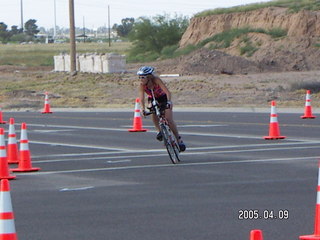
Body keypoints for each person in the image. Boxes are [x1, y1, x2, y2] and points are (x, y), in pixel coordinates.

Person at [137, 66, 186, 152]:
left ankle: (178, 139)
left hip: (163, 97)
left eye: (143, 77)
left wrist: (169, 102)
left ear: (149, 77)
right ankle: (159, 131)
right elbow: (141, 98)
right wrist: (142, 109)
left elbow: (167, 92)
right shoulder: (142, 85)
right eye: (139, 77)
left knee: (169, 119)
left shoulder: (156, 80)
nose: (141, 79)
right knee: (152, 111)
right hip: (153, 98)